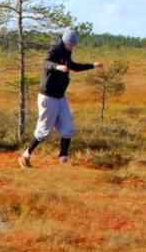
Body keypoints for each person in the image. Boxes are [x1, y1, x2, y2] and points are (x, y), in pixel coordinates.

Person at [19, 29, 101, 168]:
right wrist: (57, 66)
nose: (71, 47)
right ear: (64, 41)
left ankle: (63, 158)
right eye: (70, 44)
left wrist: (92, 65)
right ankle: (26, 155)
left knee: (68, 128)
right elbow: (46, 63)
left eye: (73, 45)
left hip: (60, 97)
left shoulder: (67, 52)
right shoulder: (55, 49)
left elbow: (73, 66)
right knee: (43, 131)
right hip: (48, 97)